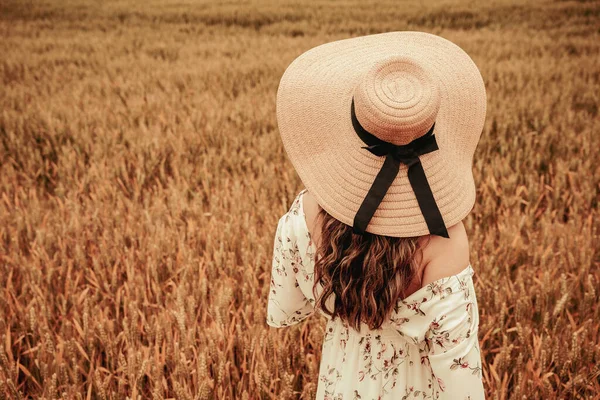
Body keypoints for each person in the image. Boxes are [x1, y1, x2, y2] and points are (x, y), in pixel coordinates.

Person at [266, 31, 486, 399]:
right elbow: (461, 383)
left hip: (341, 383)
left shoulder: (306, 211)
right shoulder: (444, 242)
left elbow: (286, 310)